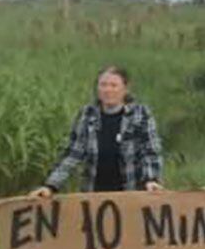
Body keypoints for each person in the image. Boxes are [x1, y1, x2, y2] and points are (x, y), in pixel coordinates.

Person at [35, 66, 165, 199]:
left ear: (125, 89)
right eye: (103, 85)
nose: (108, 90)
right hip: (93, 194)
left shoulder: (140, 114)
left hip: (130, 193)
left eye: (114, 85)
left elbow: (150, 151)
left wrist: (151, 180)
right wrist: (50, 186)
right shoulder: (87, 115)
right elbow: (73, 154)